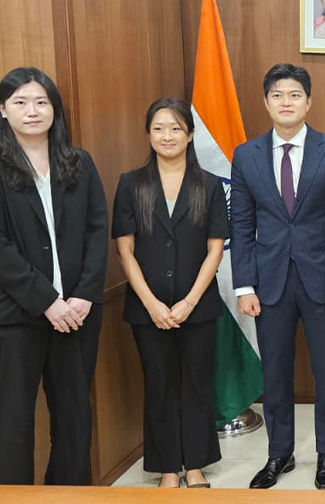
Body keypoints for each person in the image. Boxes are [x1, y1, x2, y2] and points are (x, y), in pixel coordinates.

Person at [0, 67, 107, 485]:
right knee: (11, 422)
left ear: (54, 109)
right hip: (11, 319)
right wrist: (48, 302)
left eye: (41, 102)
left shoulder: (79, 163)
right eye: (21, 102)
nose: (32, 111)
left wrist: (82, 296)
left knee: (74, 419)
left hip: (77, 316)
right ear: (2, 110)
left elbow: (99, 229)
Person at [230, 63, 325, 490]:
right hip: (268, 283)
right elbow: (241, 224)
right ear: (266, 102)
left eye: (294, 95)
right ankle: (278, 454)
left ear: (308, 101)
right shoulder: (246, 155)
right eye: (278, 96)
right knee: (276, 375)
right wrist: (244, 285)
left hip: (322, 281)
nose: (286, 103)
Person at [112, 98, 228, 489]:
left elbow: (215, 249)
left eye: (176, 128)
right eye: (159, 128)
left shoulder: (209, 185)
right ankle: (166, 468)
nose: (167, 136)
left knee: (196, 383)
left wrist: (189, 301)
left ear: (190, 134)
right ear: (148, 134)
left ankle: (195, 464)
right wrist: (152, 303)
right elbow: (124, 250)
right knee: (159, 384)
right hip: (148, 308)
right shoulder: (131, 184)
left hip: (198, 304)